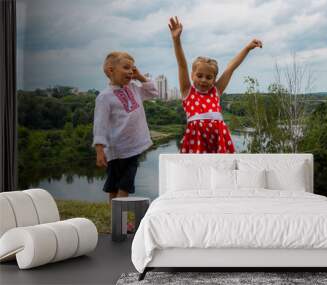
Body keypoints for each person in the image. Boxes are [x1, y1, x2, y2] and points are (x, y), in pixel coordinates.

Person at [168, 16, 262, 153]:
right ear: (192, 75)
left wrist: (247, 48)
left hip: (219, 138)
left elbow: (230, 68)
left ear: (214, 78)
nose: (204, 80)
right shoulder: (187, 91)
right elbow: (182, 65)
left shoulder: (215, 91)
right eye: (199, 76)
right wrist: (176, 40)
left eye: (209, 77)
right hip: (196, 140)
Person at [93, 51, 158, 203]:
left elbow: (153, 92)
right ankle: (118, 220)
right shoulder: (105, 97)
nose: (130, 72)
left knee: (125, 185)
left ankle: (117, 219)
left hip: (132, 149)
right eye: (126, 68)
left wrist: (140, 77)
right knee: (115, 187)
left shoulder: (134, 89)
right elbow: (100, 124)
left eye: (132, 68)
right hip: (116, 150)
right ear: (111, 70)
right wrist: (99, 149)